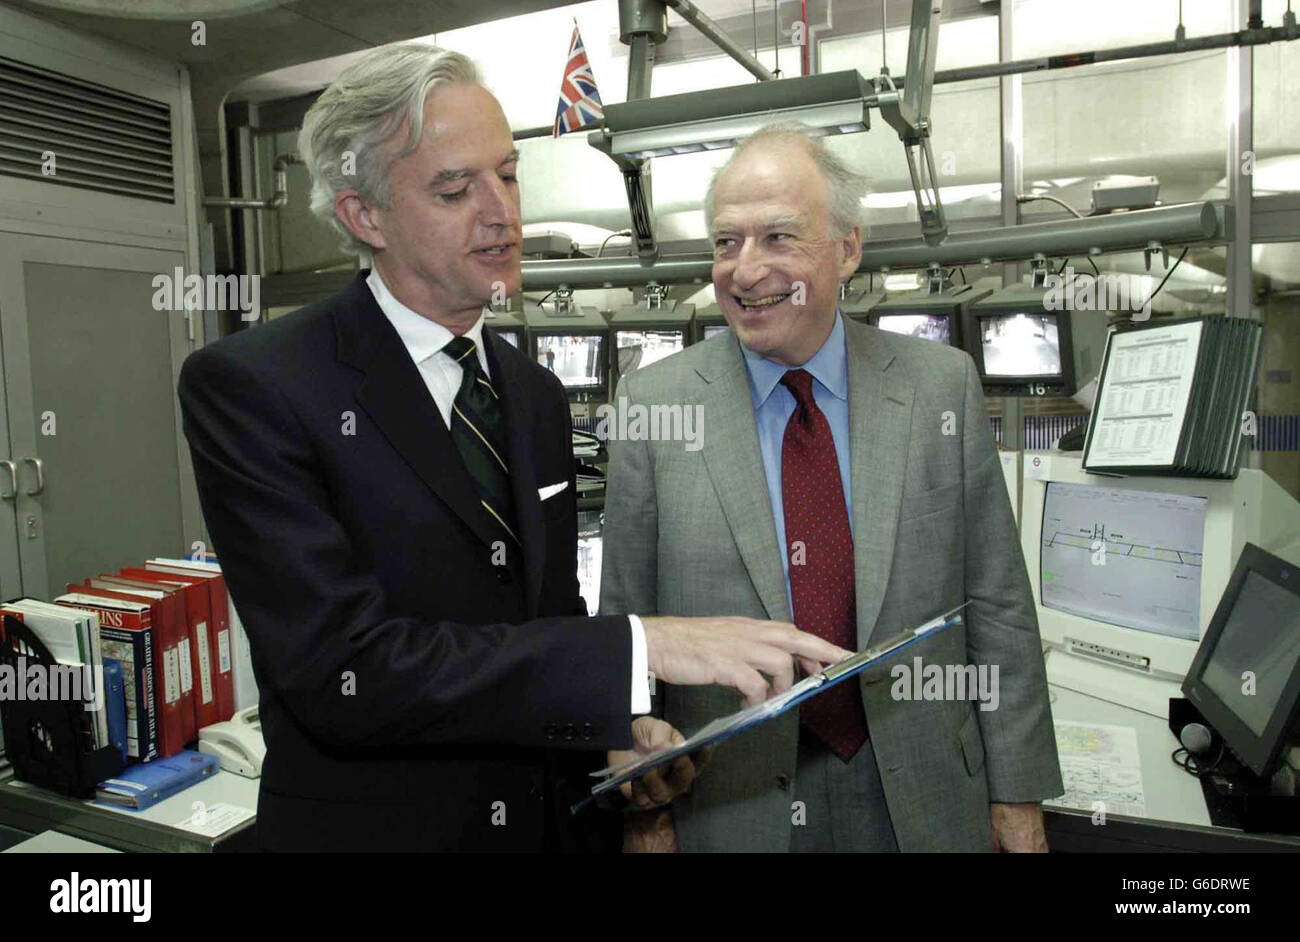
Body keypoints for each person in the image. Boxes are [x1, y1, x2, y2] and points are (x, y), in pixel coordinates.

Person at [176, 47, 847, 852]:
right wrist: (643, 644)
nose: (502, 213)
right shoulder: (258, 387)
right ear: (366, 216)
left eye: (508, 174)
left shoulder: (529, 393)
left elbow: (543, 619)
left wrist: (613, 730)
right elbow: (343, 673)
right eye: (456, 190)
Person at [600, 123, 1063, 853]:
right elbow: (624, 631)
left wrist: (1017, 793)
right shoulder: (654, 408)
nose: (745, 270)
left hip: (919, 793)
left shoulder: (940, 387)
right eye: (726, 242)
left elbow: (999, 605)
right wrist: (644, 814)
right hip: (727, 806)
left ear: (847, 248)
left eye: (778, 238)